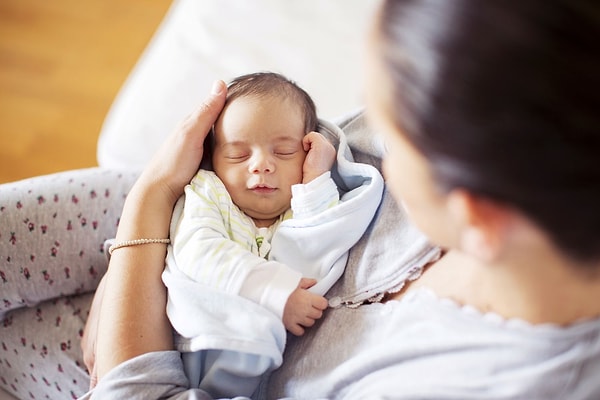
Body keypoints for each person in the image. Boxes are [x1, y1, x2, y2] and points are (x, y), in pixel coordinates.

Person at [1, 0, 597, 398]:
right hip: (202, 218)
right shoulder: (510, 119)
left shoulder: (484, 380)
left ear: (477, 217)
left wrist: (146, 219)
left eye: (395, 132)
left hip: (196, 357)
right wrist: (149, 220)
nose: (364, 137)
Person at [162, 72, 383, 397]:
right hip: (201, 341)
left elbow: (318, 243)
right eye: (238, 154)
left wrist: (316, 178)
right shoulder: (210, 193)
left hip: (268, 365)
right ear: (212, 158)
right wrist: (275, 292)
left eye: (283, 153)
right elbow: (198, 250)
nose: (262, 165)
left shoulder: (301, 206)